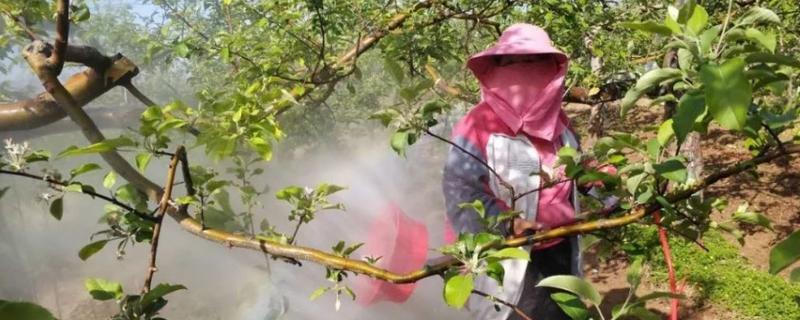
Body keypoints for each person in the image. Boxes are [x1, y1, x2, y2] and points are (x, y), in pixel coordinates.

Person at [442, 23, 583, 320]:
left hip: (562, 248)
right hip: (513, 258)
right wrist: (505, 224)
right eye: (511, 63)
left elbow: (574, 172)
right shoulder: (477, 125)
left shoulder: (561, 122)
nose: (521, 70)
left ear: (549, 67)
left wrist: (602, 184)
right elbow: (461, 190)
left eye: (532, 61)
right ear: (496, 68)